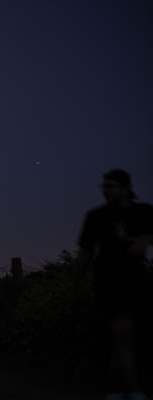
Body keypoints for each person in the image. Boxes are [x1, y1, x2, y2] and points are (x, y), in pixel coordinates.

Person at [76, 169, 153, 400]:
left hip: (137, 282)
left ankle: (119, 389)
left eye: (111, 186)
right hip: (108, 284)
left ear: (126, 187)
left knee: (129, 337)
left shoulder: (143, 211)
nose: (106, 191)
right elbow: (85, 252)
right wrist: (75, 282)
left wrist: (144, 239)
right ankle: (130, 389)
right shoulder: (96, 217)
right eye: (104, 186)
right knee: (121, 333)